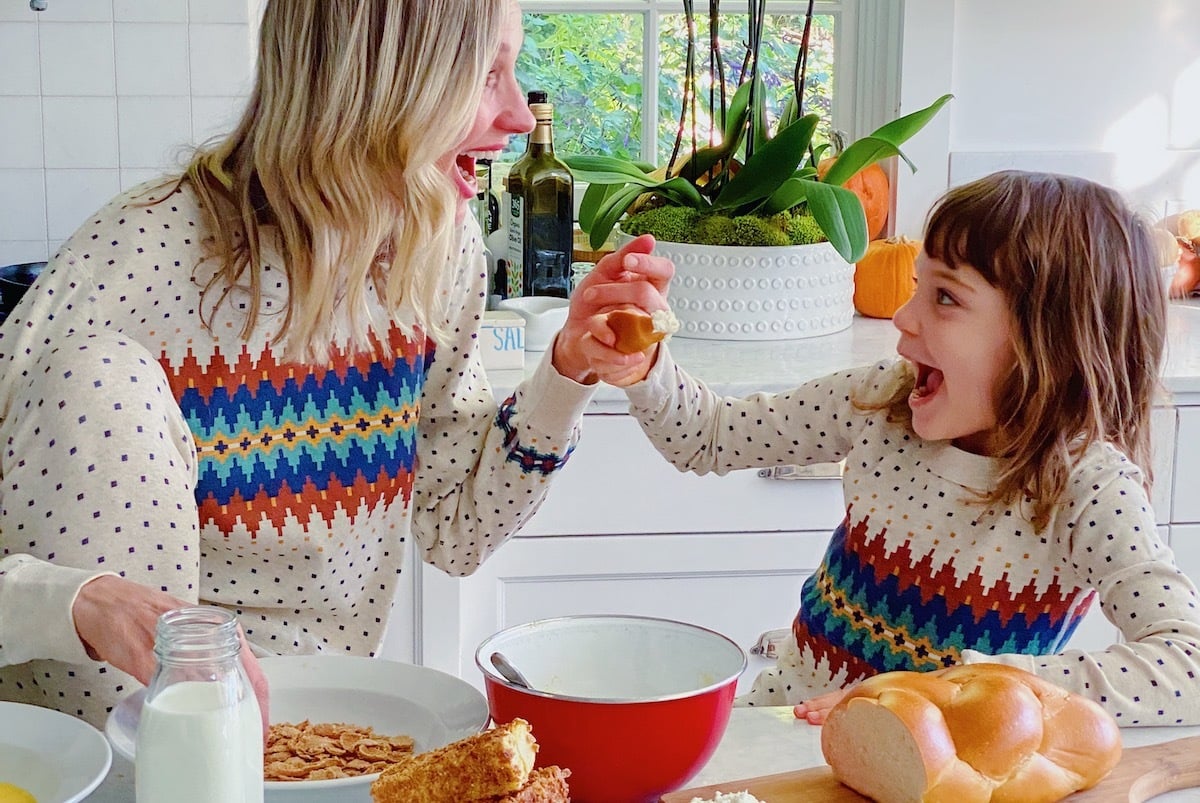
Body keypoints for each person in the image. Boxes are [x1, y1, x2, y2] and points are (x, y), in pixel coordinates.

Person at [0, 0, 672, 729]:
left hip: (329, 728)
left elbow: (457, 529)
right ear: (379, 85)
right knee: (98, 377)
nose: (517, 115)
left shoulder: (439, 251)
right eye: (486, 76)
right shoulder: (136, 253)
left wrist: (567, 372)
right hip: (129, 739)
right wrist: (77, 600)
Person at [577, 170, 1200, 726]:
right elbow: (707, 437)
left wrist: (961, 690)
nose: (903, 317)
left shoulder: (1086, 487)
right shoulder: (884, 400)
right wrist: (645, 367)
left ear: (1052, 344)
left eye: (946, 297)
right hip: (784, 730)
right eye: (916, 285)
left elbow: (1187, 667)